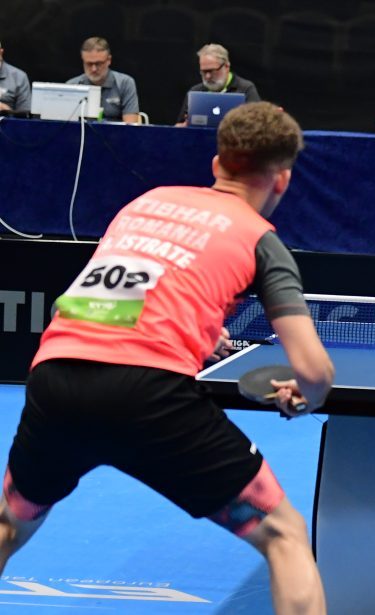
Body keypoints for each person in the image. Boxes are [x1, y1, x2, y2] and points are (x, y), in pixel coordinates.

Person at [0, 102, 333, 614]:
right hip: (148, 397)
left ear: (217, 164)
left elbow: (111, 301)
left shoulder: (147, 203)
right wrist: (304, 396)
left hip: (55, 379)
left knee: (9, 524)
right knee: (284, 535)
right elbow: (314, 371)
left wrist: (198, 328)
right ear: (282, 180)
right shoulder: (261, 241)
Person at [176, 44, 260, 126]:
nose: (208, 76)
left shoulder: (246, 89)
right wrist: (184, 126)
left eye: (212, 71)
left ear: (226, 66)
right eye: (204, 72)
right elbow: (179, 126)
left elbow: (258, 124)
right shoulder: (195, 91)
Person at [66, 37, 141, 124]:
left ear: (109, 60)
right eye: (89, 64)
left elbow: (130, 125)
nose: (94, 69)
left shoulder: (125, 83)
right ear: (83, 60)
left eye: (98, 64)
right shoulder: (72, 86)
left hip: (115, 132)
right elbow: (65, 124)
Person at [0, 39, 31, 114]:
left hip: (6, 120)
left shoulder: (19, 77)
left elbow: (25, 114)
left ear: (1, 52)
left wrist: (6, 111)